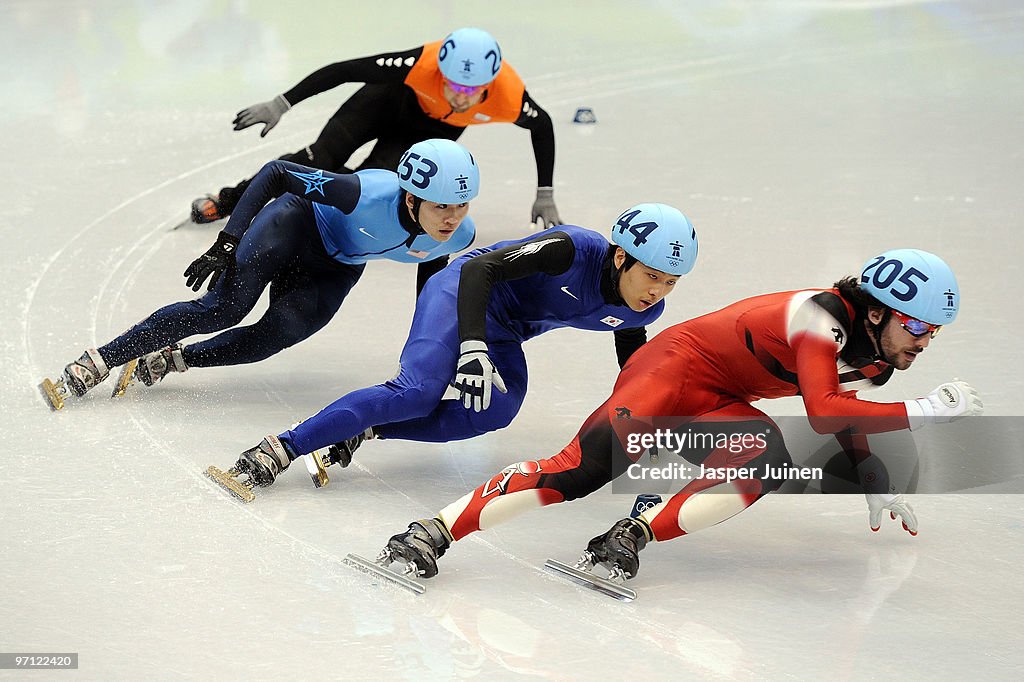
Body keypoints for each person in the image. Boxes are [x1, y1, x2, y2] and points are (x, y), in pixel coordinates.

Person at [372, 249, 984, 580]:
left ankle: (632, 534)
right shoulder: (817, 319)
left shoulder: (876, 360)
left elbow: (844, 415)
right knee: (582, 471)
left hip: (719, 399)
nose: (926, 342)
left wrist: (871, 476)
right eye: (921, 326)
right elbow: (824, 412)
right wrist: (925, 411)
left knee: (766, 459)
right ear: (876, 312)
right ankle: (436, 530)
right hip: (675, 368)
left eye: (935, 332)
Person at [215, 203, 700, 495]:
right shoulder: (570, 248)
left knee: (494, 411)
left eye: (670, 282)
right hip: (462, 293)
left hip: (504, 330)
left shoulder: (643, 312)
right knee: (418, 392)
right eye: (652, 276)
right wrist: (471, 347)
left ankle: (365, 429)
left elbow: (634, 370)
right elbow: (477, 270)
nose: (657, 291)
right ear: (620, 256)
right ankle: (281, 447)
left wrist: (646, 420)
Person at [39, 138, 480, 410]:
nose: (451, 218)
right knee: (221, 309)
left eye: (461, 206)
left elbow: (433, 270)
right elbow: (277, 174)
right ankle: (99, 360)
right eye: (441, 206)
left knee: (273, 337)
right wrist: (227, 241)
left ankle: (174, 359)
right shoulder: (362, 194)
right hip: (298, 223)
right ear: (409, 200)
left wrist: (430, 335)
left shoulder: (458, 234)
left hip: (336, 266)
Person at [191, 27, 562, 230]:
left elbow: (542, 127)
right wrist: (281, 103)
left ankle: (302, 215)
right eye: (452, 84)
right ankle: (230, 200)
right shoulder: (423, 62)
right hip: (386, 101)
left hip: (425, 134)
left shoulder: (510, 96)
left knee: (366, 183)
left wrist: (544, 191)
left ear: (489, 85)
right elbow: (344, 71)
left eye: (471, 91)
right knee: (317, 158)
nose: (460, 97)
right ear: (441, 71)